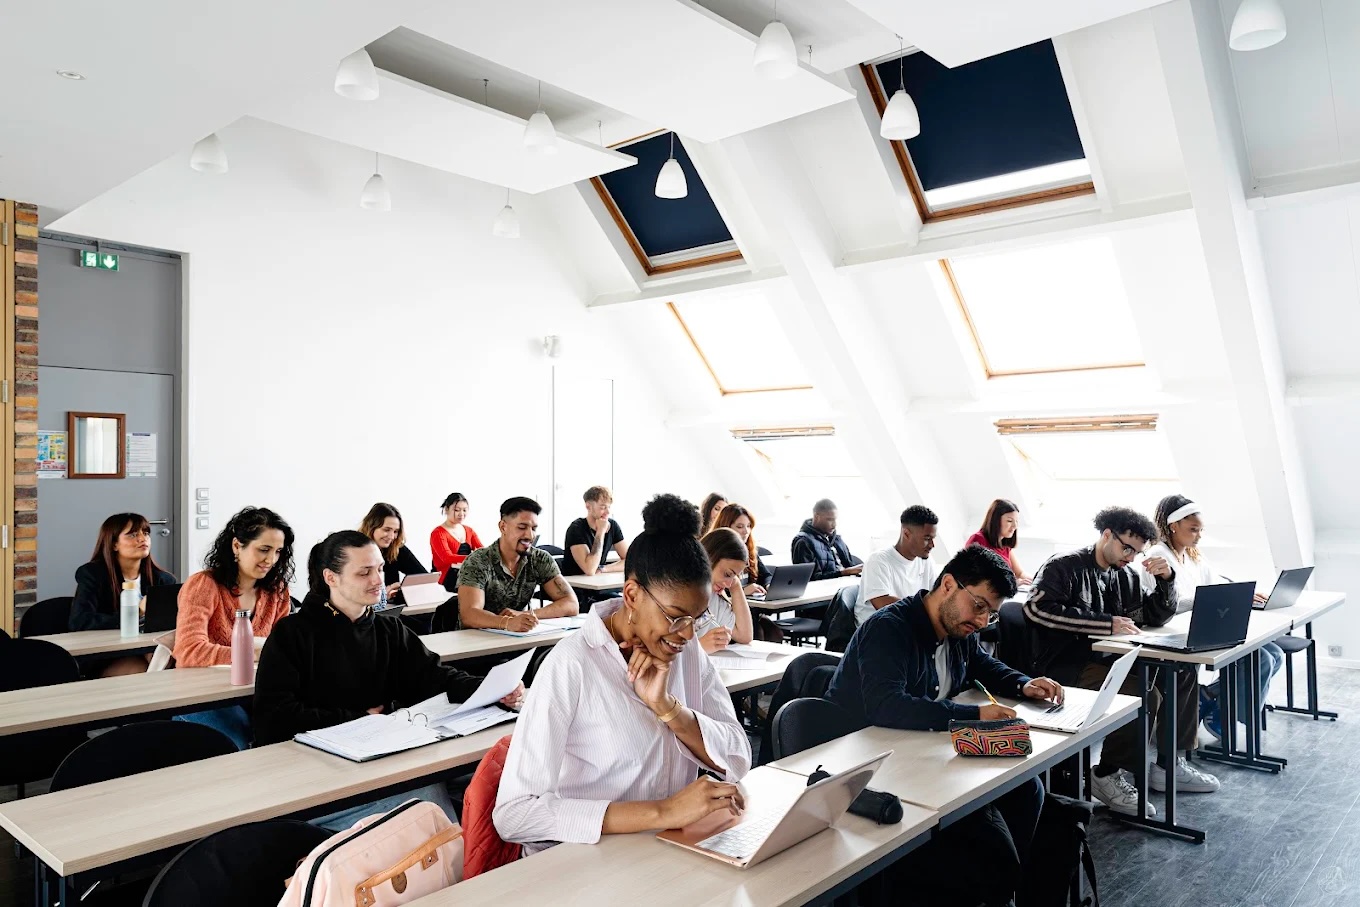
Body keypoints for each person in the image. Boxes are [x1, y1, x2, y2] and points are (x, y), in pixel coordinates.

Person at [494, 494, 751, 855]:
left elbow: (738, 757)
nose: (688, 634)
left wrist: (669, 709)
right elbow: (515, 815)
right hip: (582, 863)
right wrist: (663, 811)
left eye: (695, 618)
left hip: (664, 850)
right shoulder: (572, 665)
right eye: (676, 616)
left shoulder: (688, 653)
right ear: (631, 594)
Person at [826, 545, 1061, 907]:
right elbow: (886, 706)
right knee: (984, 829)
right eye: (979, 607)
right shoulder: (890, 628)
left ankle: (1004, 890)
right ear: (948, 585)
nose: (982, 622)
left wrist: (1022, 684)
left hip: (924, 753)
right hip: (874, 764)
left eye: (991, 615)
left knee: (1026, 789)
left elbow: (983, 666)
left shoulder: (957, 628)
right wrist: (974, 715)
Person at [255, 530, 522, 828]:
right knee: (425, 796)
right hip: (320, 769)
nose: (377, 580)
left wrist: (491, 689)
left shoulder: (388, 630)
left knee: (493, 767)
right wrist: (358, 718)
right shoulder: (293, 634)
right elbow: (274, 716)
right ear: (331, 577)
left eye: (380, 569)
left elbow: (434, 677)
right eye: (364, 572)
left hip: (384, 754)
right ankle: (460, 863)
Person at [1023, 506, 1221, 817]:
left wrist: (1167, 580)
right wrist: (1105, 624)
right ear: (1106, 535)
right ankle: (1105, 775)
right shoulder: (1064, 566)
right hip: (1066, 664)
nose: (1131, 557)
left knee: (1182, 672)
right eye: (1126, 547)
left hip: (1112, 657)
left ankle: (1169, 764)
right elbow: (1037, 609)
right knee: (1143, 694)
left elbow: (1150, 616)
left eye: (1137, 551)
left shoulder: (1125, 574)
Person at [1148, 494, 1281, 740]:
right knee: (1261, 658)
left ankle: (1208, 697)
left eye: (1201, 530)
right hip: (1176, 633)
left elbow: (1216, 584)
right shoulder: (1158, 556)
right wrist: (1206, 600)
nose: (1199, 535)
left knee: (1275, 654)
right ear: (1173, 526)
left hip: (1203, 625)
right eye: (1193, 529)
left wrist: (1246, 593)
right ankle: (1224, 715)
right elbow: (1166, 604)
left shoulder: (1191, 554)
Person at [172, 507, 297, 749]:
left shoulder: (277, 590)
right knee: (239, 745)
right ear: (237, 546)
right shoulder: (204, 585)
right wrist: (255, 653)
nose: (271, 560)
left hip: (255, 692)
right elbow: (188, 651)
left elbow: (284, 648)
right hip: (203, 695)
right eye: (263, 549)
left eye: (278, 551)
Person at [69, 512, 178, 676]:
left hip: (148, 647)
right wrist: (138, 612)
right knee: (146, 671)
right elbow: (80, 621)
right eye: (133, 534)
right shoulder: (92, 574)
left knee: (171, 660)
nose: (143, 539)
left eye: (146, 533)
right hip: (107, 653)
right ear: (114, 544)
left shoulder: (164, 579)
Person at [457, 496, 578, 632]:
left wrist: (525, 616)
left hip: (517, 639)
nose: (530, 535)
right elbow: (469, 614)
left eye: (534, 528)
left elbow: (572, 604)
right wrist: (507, 622)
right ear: (503, 527)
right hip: (476, 642)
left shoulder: (540, 559)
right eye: (522, 527)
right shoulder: (478, 561)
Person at [697, 528, 779, 652]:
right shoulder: (677, 594)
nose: (728, 583)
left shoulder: (715, 596)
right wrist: (699, 647)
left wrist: (736, 587)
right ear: (708, 559)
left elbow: (744, 636)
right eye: (727, 574)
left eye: (734, 576)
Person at [856, 505, 939, 627]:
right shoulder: (878, 560)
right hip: (877, 630)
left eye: (933, 538)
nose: (932, 545)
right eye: (927, 538)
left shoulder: (926, 561)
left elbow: (934, 595)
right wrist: (925, 611)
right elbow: (883, 605)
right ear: (906, 534)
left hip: (907, 626)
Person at [360, 502, 428, 605]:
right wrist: (384, 592)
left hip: (390, 610)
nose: (392, 536)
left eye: (396, 531)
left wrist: (403, 588)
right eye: (386, 530)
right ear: (371, 527)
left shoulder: (396, 549)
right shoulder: (355, 551)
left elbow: (424, 578)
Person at [791, 499, 862, 580]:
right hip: (826, 590)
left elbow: (850, 566)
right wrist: (843, 573)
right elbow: (808, 579)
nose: (835, 524)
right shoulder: (803, 542)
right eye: (830, 519)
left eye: (835, 519)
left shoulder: (837, 539)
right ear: (816, 517)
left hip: (848, 584)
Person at [965, 499, 1031, 585]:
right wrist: (1013, 584)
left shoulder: (1005, 545)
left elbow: (1020, 573)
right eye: (1010, 521)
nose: (1015, 526)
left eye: (1016, 521)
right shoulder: (978, 539)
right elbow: (978, 578)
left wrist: (1037, 582)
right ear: (995, 520)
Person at [713, 503, 772, 596]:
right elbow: (714, 589)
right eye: (740, 527)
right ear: (726, 527)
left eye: (748, 526)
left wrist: (769, 586)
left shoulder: (749, 550)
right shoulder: (715, 554)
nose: (746, 531)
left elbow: (766, 576)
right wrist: (743, 591)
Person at [430, 493, 483, 585]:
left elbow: (481, 550)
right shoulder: (438, 533)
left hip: (467, 574)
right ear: (446, 510)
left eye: (464, 510)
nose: (461, 514)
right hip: (447, 579)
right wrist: (473, 558)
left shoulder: (469, 530)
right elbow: (447, 558)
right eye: (457, 510)